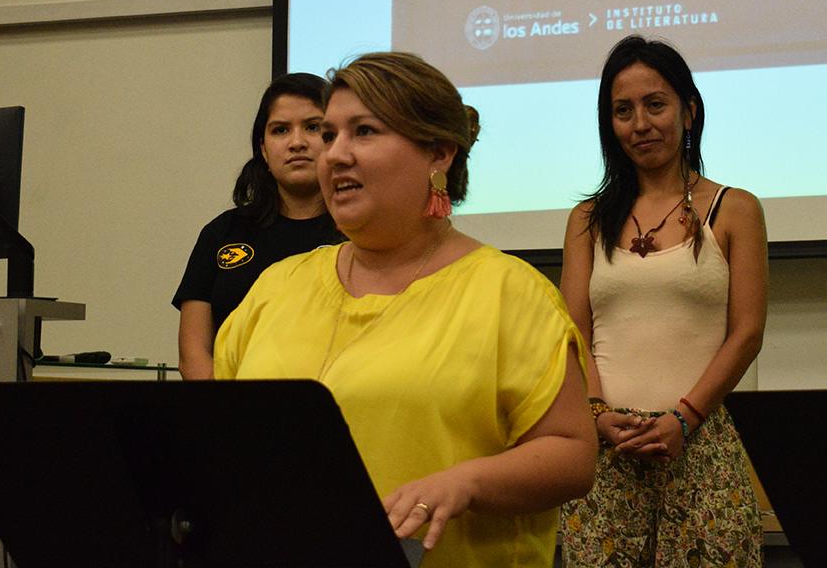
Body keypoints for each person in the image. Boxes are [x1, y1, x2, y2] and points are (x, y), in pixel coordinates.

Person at [214, 51, 596, 566]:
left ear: (439, 153)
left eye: (364, 132)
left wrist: (466, 483)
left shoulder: (510, 293)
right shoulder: (275, 287)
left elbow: (573, 456)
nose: (334, 155)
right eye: (330, 135)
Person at [559, 36, 768, 567]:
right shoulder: (586, 219)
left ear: (689, 111)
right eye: (622, 110)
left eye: (656, 104)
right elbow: (572, 331)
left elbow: (747, 332)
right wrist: (597, 414)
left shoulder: (735, 208)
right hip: (607, 453)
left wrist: (684, 418)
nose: (640, 124)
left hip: (700, 446)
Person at [173, 72, 340, 380]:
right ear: (263, 148)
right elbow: (193, 355)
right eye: (280, 130)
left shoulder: (360, 234)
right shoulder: (222, 232)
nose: (297, 142)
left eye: (313, 127)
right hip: (229, 416)